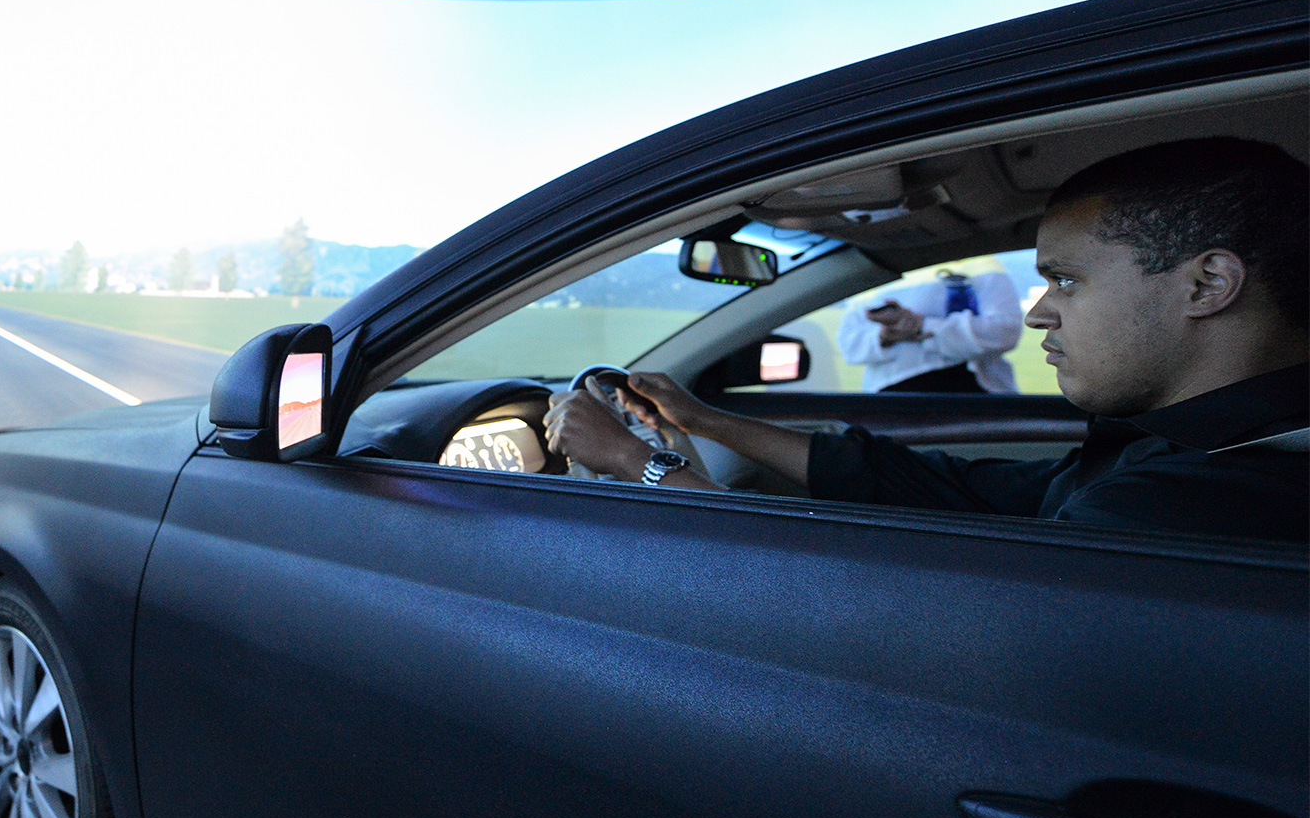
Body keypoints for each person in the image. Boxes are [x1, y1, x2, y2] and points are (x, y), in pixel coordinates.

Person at [544, 137, 1308, 543]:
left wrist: (640, 464)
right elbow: (958, 489)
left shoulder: (1175, 509)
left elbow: (850, 619)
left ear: (1207, 284)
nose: (1043, 314)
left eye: (1067, 281)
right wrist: (703, 421)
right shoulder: (1172, 451)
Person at [835, 268, 1022, 393]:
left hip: (972, 397)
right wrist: (884, 336)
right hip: (890, 403)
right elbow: (849, 346)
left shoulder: (981, 266)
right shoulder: (869, 270)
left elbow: (1005, 331)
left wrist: (923, 327)